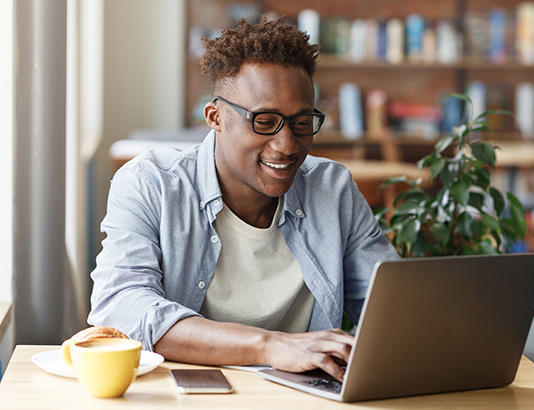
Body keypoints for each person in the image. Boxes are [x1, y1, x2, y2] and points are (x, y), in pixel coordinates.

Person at [88, 18, 399, 382]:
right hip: (183, 394)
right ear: (215, 117)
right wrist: (267, 345)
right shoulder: (151, 184)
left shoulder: (332, 189)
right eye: (264, 121)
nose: (287, 145)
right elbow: (121, 308)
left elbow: (388, 308)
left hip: (302, 397)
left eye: (301, 123)